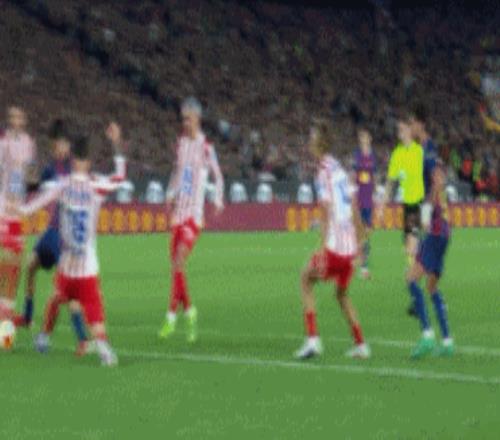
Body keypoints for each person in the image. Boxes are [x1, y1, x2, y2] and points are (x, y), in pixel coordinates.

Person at [18, 134, 126, 366]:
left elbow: (31, 208)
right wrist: (116, 143)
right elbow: (119, 177)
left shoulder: (63, 185)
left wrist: (13, 209)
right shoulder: (96, 185)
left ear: (73, 160)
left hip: (67, 266)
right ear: (88, 162)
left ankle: (43, 338)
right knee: (94, 310)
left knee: (56, 298)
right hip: (88, 268)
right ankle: (104, 348)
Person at [295, 119, 370, 360]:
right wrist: (360, 243)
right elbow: (355, 207)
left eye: (312, 138)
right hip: (349, 249)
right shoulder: (340, 169)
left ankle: (313, 340)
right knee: (341, 295)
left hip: (334, 248)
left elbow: (326, 210)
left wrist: (322, 249)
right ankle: (361, 345)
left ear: (319, 143)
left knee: (305, 279)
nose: (309, 142)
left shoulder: (323, 173)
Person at [158, 97, 224, 343]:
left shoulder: (206, 147)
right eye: (183, 118)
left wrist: (217, 199)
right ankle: (190, 311)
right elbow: (179, 172)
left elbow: (218, 176)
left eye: (188, 118)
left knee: (178, 260)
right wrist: (169, 194)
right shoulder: (181, 144)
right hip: (178, 215)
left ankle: (170, 317)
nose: (184, 122)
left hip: (194, 217)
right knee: (177, 268)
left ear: (197, 118)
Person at [406, 160, 453, 358]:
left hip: (434, 238)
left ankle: (427, 335)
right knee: (432, 287)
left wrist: (417, 233)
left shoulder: (434, 191)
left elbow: (425, 223)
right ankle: (447, 341)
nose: (436, 176)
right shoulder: (444, 194)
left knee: (411, 279)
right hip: (444, 238)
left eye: (438, 174)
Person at [378, 118, 424, 316]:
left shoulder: (419, 151)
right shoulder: (397, 153)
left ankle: (417, 298)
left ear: (410, 131)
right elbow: (390, 182)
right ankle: (418, 292)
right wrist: (382, 206)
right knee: (409, 250)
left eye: (402, 128)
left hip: (418, 205)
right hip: (407, 207)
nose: (399, 131)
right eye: (398, 128)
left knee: (412, 249)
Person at [0, 107, 37, 320]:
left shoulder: (29, 143)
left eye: (19, 117)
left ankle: (6, 310)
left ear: (24, 120)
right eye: (12, 116)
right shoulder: (3, 143)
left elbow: (31, 178)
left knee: (15, 264)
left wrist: (26, 203)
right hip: (4, 210)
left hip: (18, 212)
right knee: (6, 262)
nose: (16, 120)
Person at [352, 128, 377, 279]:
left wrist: (375, 192)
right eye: (361, 137)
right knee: (359, 232)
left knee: (367, 231)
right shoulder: (357, 154)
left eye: (366, 137)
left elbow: (373, 174)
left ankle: (360, 260)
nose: (364, 140)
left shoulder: (372, 155)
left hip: (369, 198)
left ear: (370, 139)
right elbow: (355, 174)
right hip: (359, 197)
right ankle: (363, 267)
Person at [409, 103, 438, 229]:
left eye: (412, 124)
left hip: (426, 206)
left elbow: (436, 181)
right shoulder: (415, 147)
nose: (410, 128)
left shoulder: (429, 148)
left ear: (421, 125)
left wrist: (426, 211)